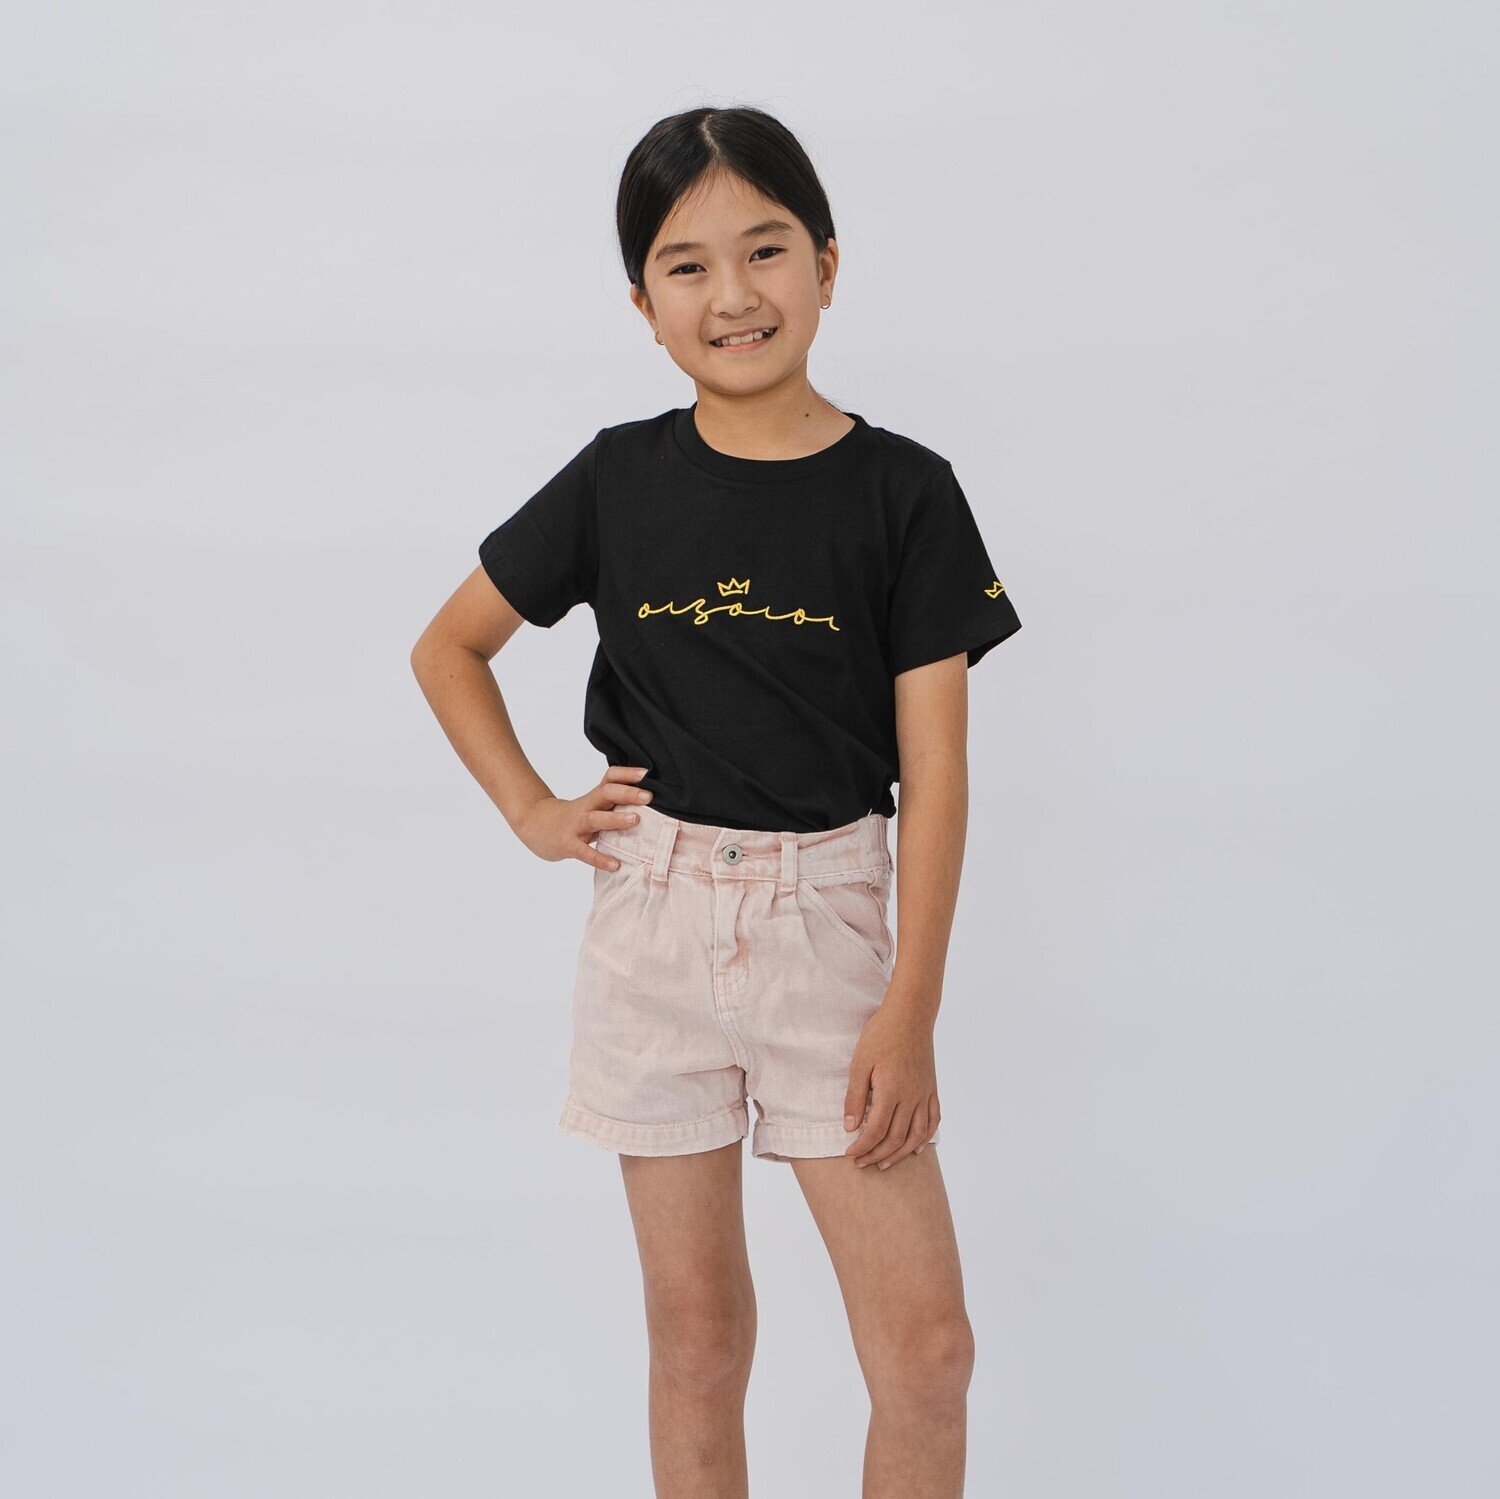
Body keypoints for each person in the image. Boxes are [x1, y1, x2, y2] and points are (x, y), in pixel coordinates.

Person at [411, 104, 1023, 1499]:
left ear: (828, 264)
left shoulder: (907, 493)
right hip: (655, 928)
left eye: (766, 250)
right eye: (686, 266)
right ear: (644, 305)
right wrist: (532, 811)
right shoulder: (616, 478)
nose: (733, 294)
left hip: (833, 928)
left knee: (926, 1354)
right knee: (696, 1341)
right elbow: (450, 647)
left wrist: (910, 1010)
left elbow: (938, 774)